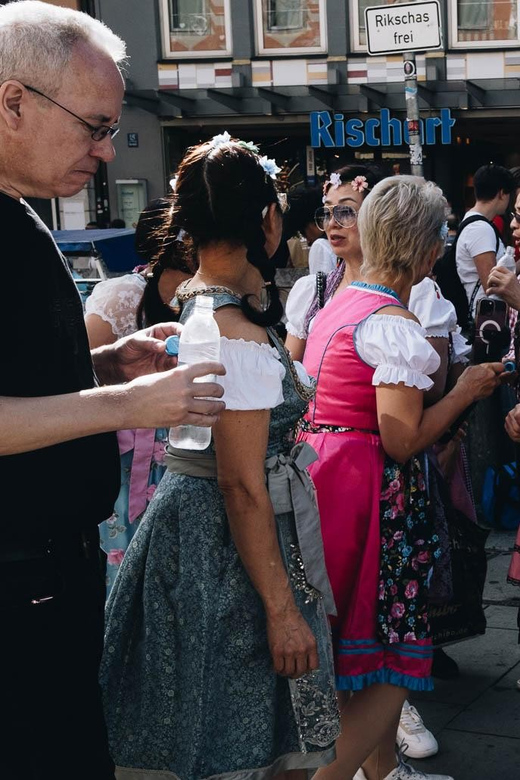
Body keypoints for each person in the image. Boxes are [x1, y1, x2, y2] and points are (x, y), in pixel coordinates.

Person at [0, 4, 225, 780]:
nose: (106, 149)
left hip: (47, 576)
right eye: (94, 126)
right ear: (13, 101)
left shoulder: (20, 209)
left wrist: (106, 366)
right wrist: (129, 406)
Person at [100, 134, 340, 779]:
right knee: (243, 731)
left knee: (198, 723)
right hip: (227, 544)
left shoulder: (201, 307)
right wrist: (283, 610)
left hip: (187, 530)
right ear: (268, 218)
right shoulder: (235, 330)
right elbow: (241, 484)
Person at [298, 176, 505, 780]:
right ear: (429, 251)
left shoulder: (339, 300)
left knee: (353, 661)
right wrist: (465, 389)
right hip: (372, 498)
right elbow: (402, 437)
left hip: (327, 485)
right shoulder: (392, 322)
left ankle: (383, 773)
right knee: (393, 663)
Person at [85, 197, 192, 594]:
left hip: (185, 458)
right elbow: (79, 374)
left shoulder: (211, 300)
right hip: (124, 460)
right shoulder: (123, 294)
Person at [455, 164, 515, 319]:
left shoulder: (472, 221)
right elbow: (492, 286)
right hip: (488, 321)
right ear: (502, 193)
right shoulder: (480, 229)